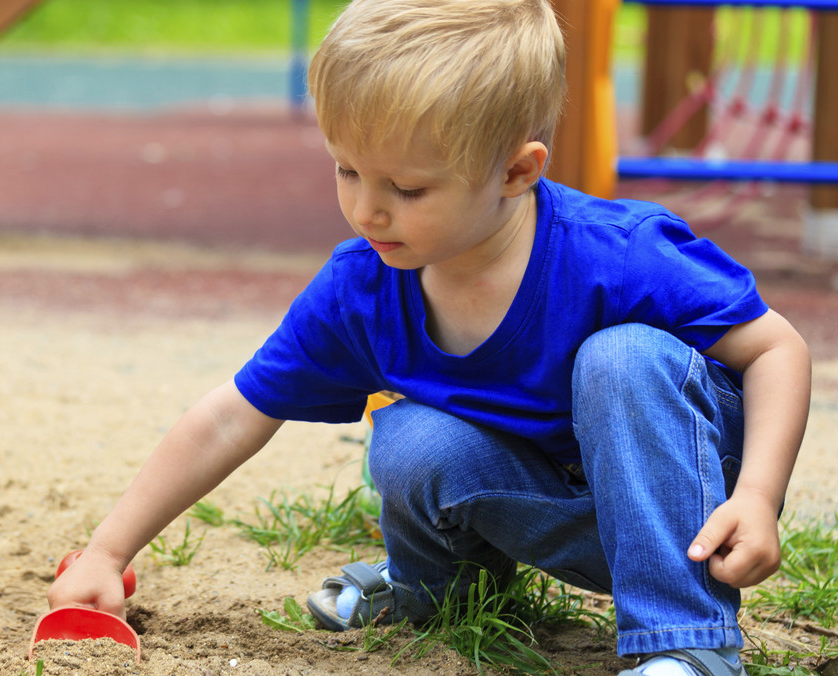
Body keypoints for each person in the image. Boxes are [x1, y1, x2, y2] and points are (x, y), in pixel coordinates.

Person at [46, 1, 812, 674]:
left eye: (406, 189)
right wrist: (108, 552)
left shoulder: (616, 252)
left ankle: (685, 643)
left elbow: (777, 349)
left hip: (689, 517)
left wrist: (757, 498)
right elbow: (232, 413)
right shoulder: (366, 283)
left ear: (517, 171)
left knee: (623, 356)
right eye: (347, 170)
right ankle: (438, 591)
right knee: (409, 435)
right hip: (558, 519)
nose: (366, 211)